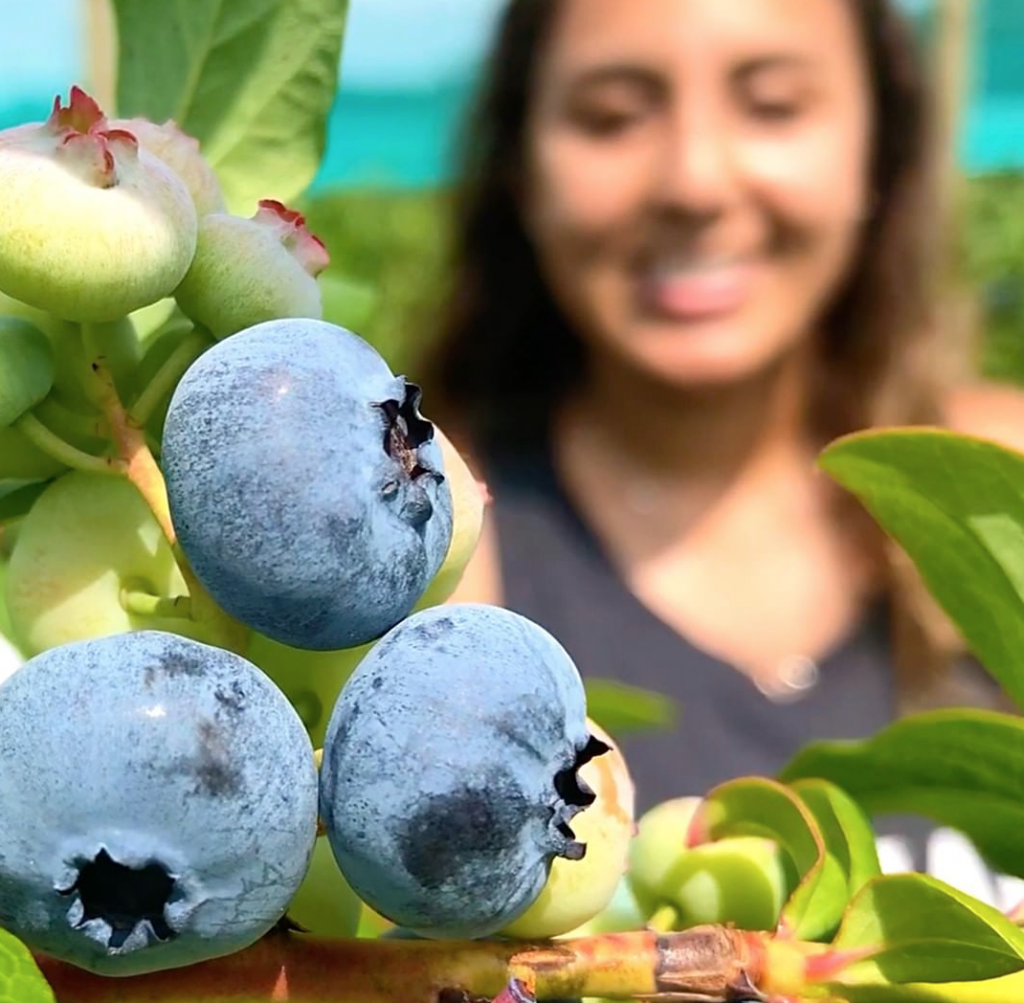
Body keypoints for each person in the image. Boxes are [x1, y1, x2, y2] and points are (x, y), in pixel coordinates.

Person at [418, 0, 1024, 871]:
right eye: (612, 117)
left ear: (878, 149)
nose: (694, 183)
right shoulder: (441, 558)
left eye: (774, 105)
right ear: (522, 163)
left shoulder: (996, 494)